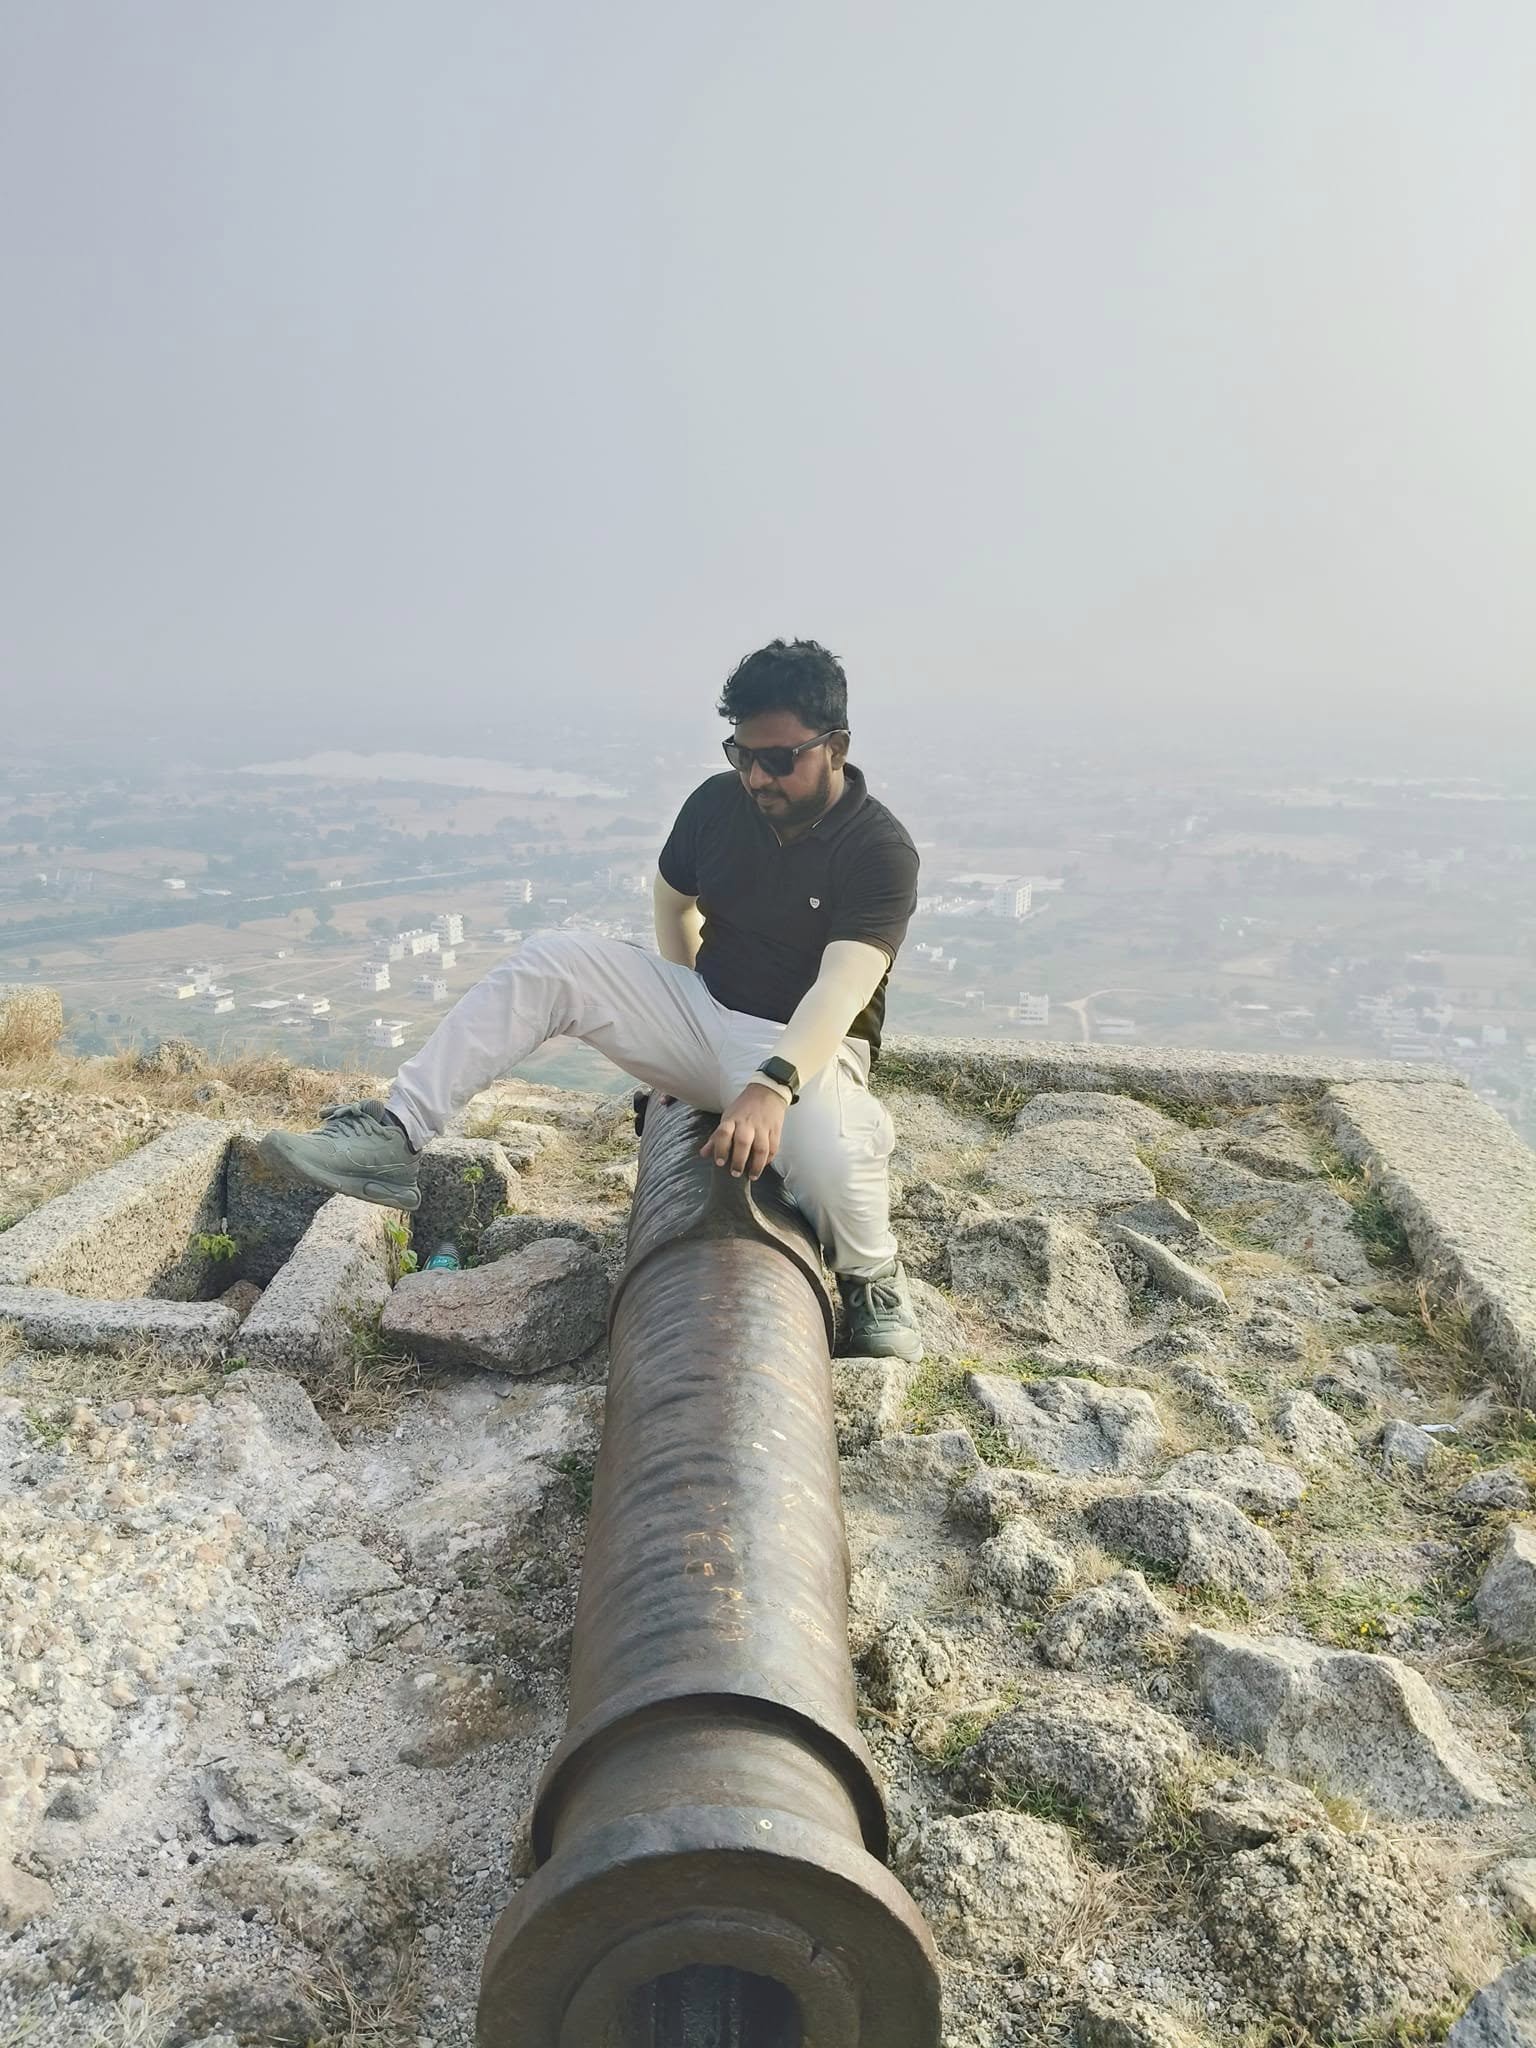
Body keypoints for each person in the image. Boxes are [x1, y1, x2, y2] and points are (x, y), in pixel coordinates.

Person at [260, 638, 924, 1360]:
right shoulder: (717, 804)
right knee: (555, 961)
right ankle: (395, 1131)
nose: (757, 776)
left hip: (808, 1048)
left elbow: (842, 987)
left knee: (831, 1154)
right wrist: (684, 1020)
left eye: (779, 759)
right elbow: (674, 904)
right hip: (710, 1011)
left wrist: (771, 1084)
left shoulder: (877, 848)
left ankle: (870, 1276)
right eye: (743, 754)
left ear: (835, 747)